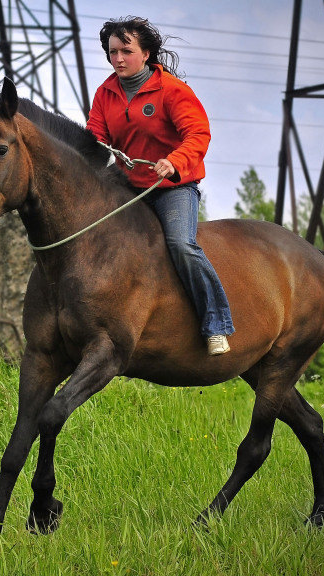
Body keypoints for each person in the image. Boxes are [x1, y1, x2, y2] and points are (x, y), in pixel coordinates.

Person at [86, 16, 235, 356]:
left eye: (126, 51)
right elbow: (94, 139)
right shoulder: (105, 93)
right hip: (128, 187)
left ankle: (215, 325)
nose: (118, 59)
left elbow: (198, 135)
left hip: (172, 188)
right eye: (112, 52)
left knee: (181, 245)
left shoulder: (173, 91)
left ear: (147, 53)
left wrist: (174, 162)